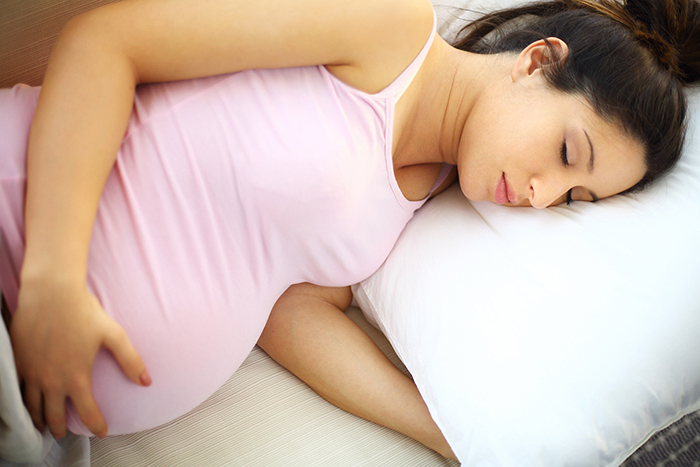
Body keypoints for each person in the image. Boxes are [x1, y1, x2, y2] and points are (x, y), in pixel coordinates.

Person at [2, 0, 698, 461]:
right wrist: (54, 282)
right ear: (538, 61)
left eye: (573, 197)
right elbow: (109, 41)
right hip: (19, 244)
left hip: (36, 399)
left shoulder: (424, 200)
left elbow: (289, 310)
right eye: (567, 152)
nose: (542, 195)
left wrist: (451, 436)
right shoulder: (384, 29)